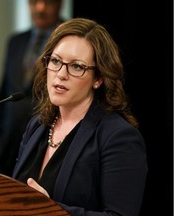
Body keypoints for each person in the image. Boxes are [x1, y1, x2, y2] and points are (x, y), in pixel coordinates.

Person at [12, 17, 148, 216]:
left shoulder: (118, 137)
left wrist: (49, 210)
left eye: (77, 66)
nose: (61, 74)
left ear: (99, 79)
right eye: (56, 61)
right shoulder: (38, 126)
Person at [0, 0, 65, 176]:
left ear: (59, 4)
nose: (40, 8)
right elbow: (4, 91)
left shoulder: (69, 41)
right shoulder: (15, 42)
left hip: (44, 144)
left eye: (47, 2)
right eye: (33, 2)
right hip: (7, 148)